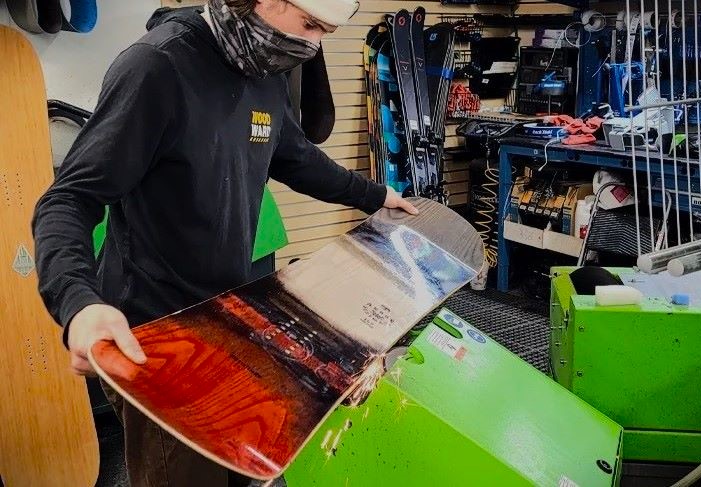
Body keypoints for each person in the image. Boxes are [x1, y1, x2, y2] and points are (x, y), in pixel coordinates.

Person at [31, 0, 418, 485]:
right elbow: (68, 200)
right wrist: (78, 304)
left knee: (239, 468)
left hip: (228, 316)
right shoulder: (157, 67)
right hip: (156, 337)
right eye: (310, 25)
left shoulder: (265, 64)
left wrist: (374, 195)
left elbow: (295, 155)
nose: (313, 44)